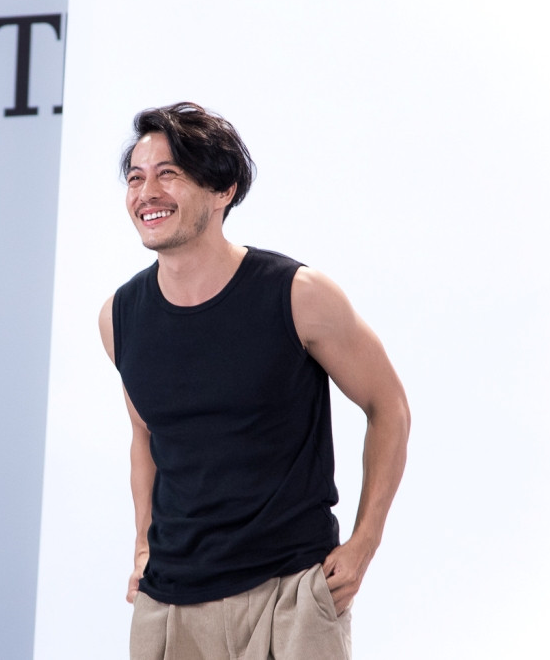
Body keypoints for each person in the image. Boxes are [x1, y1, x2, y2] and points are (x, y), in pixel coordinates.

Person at [98, 102, 410, 660]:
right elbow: (145, 436)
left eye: (169, 174)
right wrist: (143, 545)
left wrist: (364, 544)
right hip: (169, 602)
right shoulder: (119, 317)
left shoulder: (298, 295)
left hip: (289, 595)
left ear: (224, 189)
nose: (147, 193)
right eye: (136, 178)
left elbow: (389, 407)